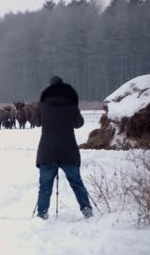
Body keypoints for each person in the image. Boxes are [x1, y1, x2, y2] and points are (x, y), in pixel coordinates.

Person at [34, 76, 93, 220]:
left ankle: (42, 213)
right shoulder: (71, 105)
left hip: (48, 150)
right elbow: (79, 123)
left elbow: (35, 122)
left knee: (45, 186)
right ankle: (86, 209)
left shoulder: (42, 105)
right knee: (76, 182)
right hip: (68, 151)